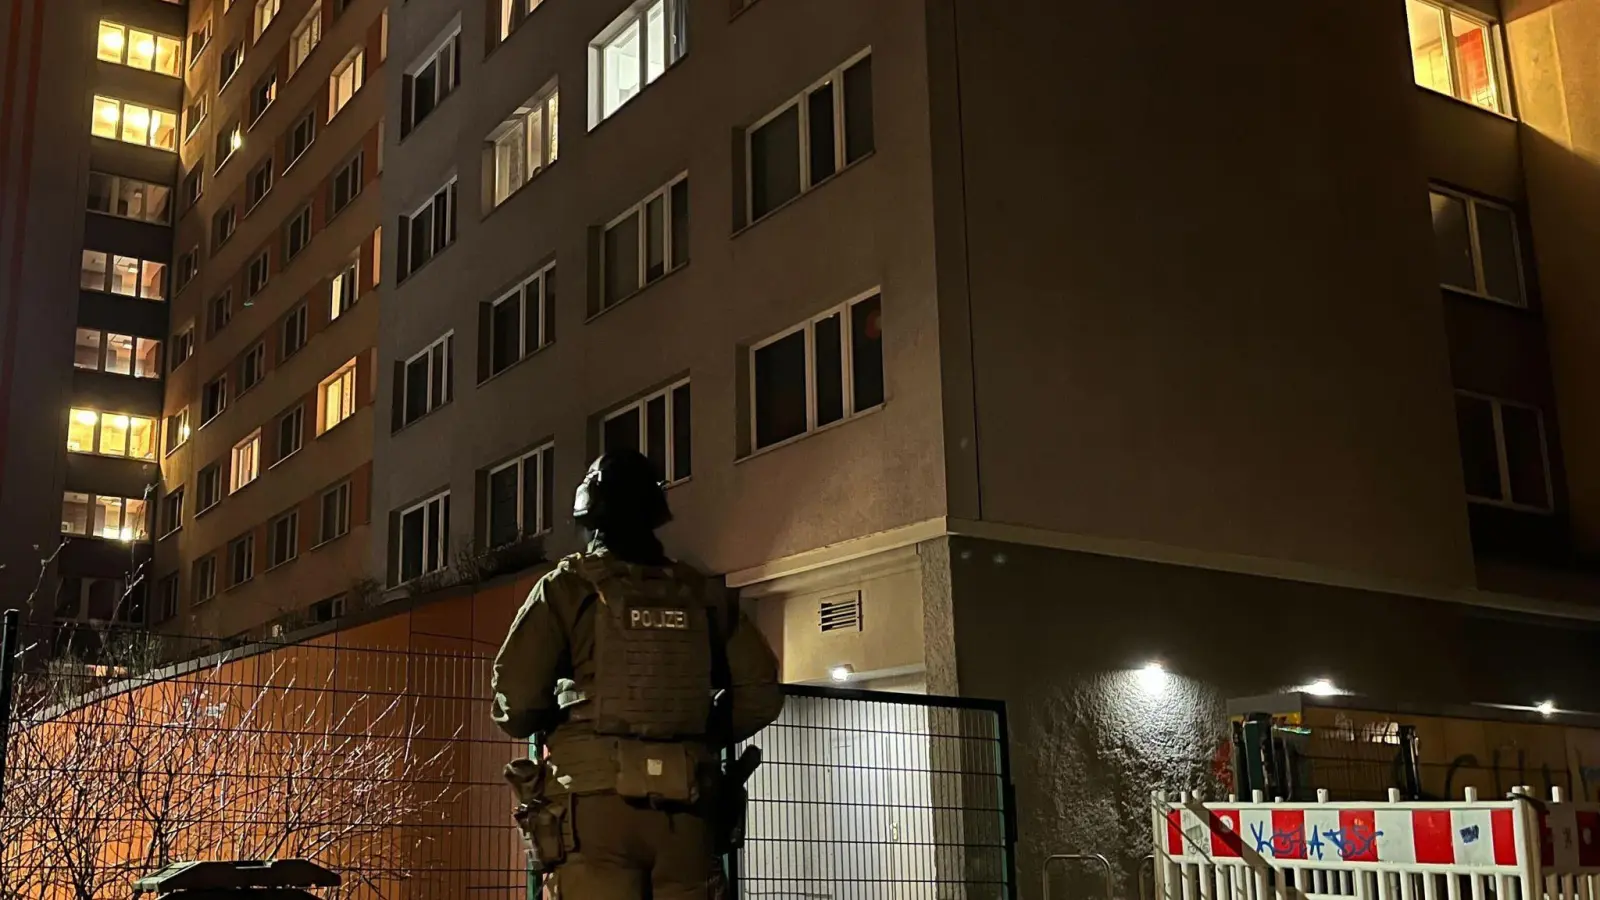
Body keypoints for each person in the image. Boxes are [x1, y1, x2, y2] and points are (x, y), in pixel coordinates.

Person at [492, 449, 785, 900]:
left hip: (593, 813)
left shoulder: (565, 588)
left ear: (588, 517)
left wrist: (565, 716)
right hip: (688, 813)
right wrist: (699, 730)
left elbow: (516, 702)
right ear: (654, 516)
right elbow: (761, 693)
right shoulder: (701, 592)